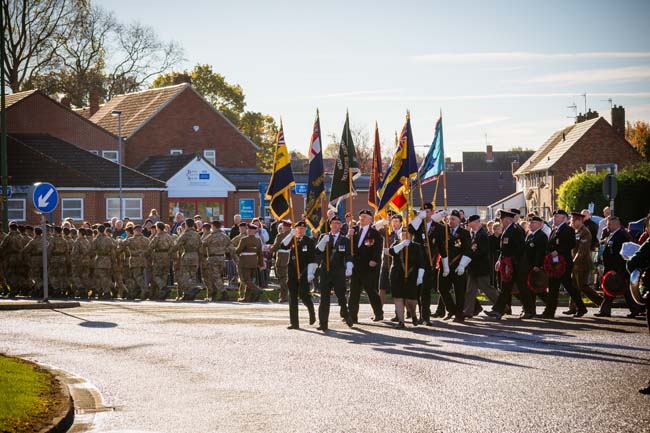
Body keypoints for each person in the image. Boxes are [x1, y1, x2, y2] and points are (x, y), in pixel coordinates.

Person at [487, 209, 534, 320]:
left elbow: (519, 248)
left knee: (522, 288)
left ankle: (529, 310)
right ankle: (498, 310)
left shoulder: (515, 230)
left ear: (507, 220)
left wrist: (510, 261)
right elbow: (504, 249)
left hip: (517, 265)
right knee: (506, 288)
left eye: (502, 220)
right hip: (511, 264)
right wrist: (500, 260)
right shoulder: (509, 229)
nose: (501, 222)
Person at [543, 210, 588, 318]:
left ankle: (581, 307)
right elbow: (550, 245)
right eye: (554, 216)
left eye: (557, 216)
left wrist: (558, 251)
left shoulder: (568, 229)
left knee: (568, 287)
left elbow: (571, 244)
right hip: (554, 264)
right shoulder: (554, 230)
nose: (554, 218)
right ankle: (549, 312)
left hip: (563, 264)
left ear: (563, 218)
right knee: (554, 288)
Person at [596, 216, 644, 317]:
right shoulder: (612, 235)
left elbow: (620, 255)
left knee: (614, 288)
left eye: (609, 224)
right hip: (610, 268)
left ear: (616, 224)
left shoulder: (621, 236)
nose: (607, 226)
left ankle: (605, 310)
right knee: (619, 289)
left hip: (616, 269)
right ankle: (635, 309)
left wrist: (616, 269)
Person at [408, 205, 447, 325]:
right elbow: (409, 230)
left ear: (433, 212)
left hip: (429, 262)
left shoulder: (439, 227)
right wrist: (419, 217)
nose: (426, 213)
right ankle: (416, 315)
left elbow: (441, 246)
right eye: (423, 211)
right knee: (416, 290)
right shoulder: (417, 224)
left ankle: (425, 317)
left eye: (428, 211)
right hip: (416, 262)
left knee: (426, 290)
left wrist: (445, 264)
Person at [315, 215, 352, 331]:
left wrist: (349, 266)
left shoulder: (345, 239)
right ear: (330, 225)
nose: (335, 225)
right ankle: (323, 323)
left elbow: (348, 255)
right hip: (325, 271)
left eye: (338, 223)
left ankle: (345, 314)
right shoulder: (324, 236)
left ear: (341, 226)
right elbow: (317, 251)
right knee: (324, 298)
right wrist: (323, 242)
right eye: (333, 223)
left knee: (341, 296)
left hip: (338, 272)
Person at [348, 209, 384, 324]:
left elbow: (378, 248)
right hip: (355, 265)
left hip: (368, 266)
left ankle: (378, 313)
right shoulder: (354, 230)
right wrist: (349, 236)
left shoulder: (374, 233)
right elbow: (349, 246)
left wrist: (375, 260)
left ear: (370, 219)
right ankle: (352, 316)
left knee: (371, 291)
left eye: (365, 216)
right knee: (354, 292)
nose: (362, 218)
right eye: (361, 216)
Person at [564, 213, 603, 315]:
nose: (571, 222)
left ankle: (602, 302)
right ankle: (573, 307)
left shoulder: (585, 232)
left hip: (582, 264)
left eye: (573, 220)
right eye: (571, 220)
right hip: (575, 263)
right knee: (574, 286)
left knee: (582, 286)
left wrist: (574, 262)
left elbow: (582, 250)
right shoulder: (575, 231)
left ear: (580, 221)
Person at [438, 209, 472, 323]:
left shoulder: (464, 233)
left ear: (458, 221)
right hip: (445, 264)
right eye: (449, 219)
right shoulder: (444, 230)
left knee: (459, 291)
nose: (450, 221)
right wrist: (439, 215)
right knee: (442, 288)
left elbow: (467, 250)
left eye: (453, 219)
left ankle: (459, 314)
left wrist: (462, 265)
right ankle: (451, 309)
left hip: (457, 265)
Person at [463, 215, 499, 319]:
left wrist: (470, 255)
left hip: (481, 268)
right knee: (470, 290)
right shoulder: (474, 234)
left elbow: (483, 252)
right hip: (473, 267)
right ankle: (468, 311)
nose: (468, 224)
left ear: (475, 222)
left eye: (469, 222)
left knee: (487, 289)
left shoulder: (482, 235)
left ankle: (501, 306)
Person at [389, 229, 425, 329]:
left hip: (412, 276)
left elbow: (421, 263)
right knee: (398, 298)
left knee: (411, 301)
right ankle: (401, 322)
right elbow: (391, 252)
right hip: (397, 275)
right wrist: (402, 244)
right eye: (402, 234)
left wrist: (420, 276)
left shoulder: (416, 246)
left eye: (406, 234)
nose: (404, 236)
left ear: (411, 236)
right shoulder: (396, 244)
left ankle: (413, 314)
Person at [284, 221, 317, 329]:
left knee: (304, 295)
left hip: (304, 272)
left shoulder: (309, 241)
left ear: (305, 230)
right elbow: (283, 246)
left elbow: (312, 258)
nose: (301, 230)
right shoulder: (292, 239)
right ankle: (294, 323)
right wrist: (290, 235)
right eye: (299, 228)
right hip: (292, 272)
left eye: (303, 228)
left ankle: (311, 311)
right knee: (292, 298)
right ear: (295, 229)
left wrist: (310, 272)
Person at [171, 218, 204, 301]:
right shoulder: (197, 235)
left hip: (187, 256)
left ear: (186, 225)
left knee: (184, 276)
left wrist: (170, 252)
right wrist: (200, 258)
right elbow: (201, 247)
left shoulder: (185, 234)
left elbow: (177, 245)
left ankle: (191, 289)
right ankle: (188, 294)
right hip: (195, 256)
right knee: (192, 276)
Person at [202, 220, 235, 302]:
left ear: (213, 226)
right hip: (222, 258)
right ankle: (214, 295)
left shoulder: (211, 236)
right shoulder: (225, 236)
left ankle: (224, 293)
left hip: (213, 258)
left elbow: (203, 244)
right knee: (217, 277)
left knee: (215, 277)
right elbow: (231, 247)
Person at [377, 213, 401, 318]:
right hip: (386, 263)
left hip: (397, 265)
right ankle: (379, 312)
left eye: (396, 221)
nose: (394, 223)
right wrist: (383, 222)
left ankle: (398, 314)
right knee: (381, 288)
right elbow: (376, 227)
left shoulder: (403, 233)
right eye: (393, 221)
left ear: (401, 223)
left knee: (396, 290)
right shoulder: (387, 232)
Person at [120, 224, 151, 299]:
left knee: (137, 276)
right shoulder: (146, 240)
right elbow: (149, 249)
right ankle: (136, 292)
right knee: (140, 275)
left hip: (134, 260)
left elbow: (122, 244)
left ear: (134, 231)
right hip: (143, 260)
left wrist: (119, 240)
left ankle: (144, 289)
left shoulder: (131, 240)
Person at [235, 223, 264, 302]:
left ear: (249, 230)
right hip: (254, 262)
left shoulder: (244, 239)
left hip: (244, 262)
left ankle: (257, 289)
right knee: (250, 279)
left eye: (248, 229)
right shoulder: (258, 240)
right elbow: (260, 253)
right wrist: (261, 264)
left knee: (246, 280)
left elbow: (238, 251)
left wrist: (234, 249)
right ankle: (246, 298)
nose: (247, 230)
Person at [148, 221, 175, 300]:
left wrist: (146, 254)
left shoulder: (157, 237)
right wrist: (168, 254)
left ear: (158, 228)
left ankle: (163, 288)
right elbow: (173, 246)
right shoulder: (168, 236)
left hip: (158, 256)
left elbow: (150, 246)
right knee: (164, 275)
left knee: (156, 275)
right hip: (166, 257)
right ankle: (162, 293)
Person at [271, 220, 292, 302]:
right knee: (289, 278)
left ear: (284, 227)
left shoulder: (280, 236)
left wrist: (270, 248)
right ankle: (290, 296)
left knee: (282, 279)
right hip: (291, 258)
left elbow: (275, 247)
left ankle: (283, 297)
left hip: (282, 259)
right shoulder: (294, 235)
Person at [93, 225, 116, 299]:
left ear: (98, 230)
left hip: (100, 260)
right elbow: (112, 251)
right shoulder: (108, 239)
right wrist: (113, 261)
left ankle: (104, 292)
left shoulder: (96, 240)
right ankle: (108, 290)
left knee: (100, 277)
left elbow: (92, 250)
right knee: (107, 277)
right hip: (108, 260)